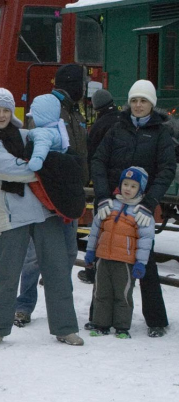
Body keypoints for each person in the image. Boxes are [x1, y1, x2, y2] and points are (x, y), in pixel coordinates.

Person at [0, 88, 82, 348]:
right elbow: (9, 169)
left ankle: (65, 327)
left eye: (6, 110)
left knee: (57, 271)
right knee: (8, 275)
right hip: (11, 217)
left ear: (13, 112)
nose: (1, 115)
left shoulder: (26, 135)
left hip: (45, 212)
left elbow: (56, 148)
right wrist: (46, 169)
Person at [91, 79, 177, 337]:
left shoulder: (160, 133)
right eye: (135, 101)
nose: (138, 105)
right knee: (104, 258)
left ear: (152, 104)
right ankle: (99, 317)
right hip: (113, 205)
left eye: (144, 101)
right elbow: (98, 160)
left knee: (145, 260)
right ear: (129, 103)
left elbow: (167, 170)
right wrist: (104, 196)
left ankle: (156, 321)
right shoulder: (117, 128)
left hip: (141, 209)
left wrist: (149, 203)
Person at [13, 64, 88, 327]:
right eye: (82, 83)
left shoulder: (75, 110)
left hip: (70, 191)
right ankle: (23, 305)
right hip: (46, 194)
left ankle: (60, 303)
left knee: (69, 252)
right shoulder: (45, 108)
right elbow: (36, 147)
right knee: (34, 255)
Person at [84, 167, 154, 338]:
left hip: (125, 261)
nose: (128, 189)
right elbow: (96, 231)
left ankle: (122, 326)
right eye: (125, 184)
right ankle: (101, 324)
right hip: (103, 259)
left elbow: (145, 242)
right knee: (101, 292)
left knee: (123, 294)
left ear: (140, 189)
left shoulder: (141, 213)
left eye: (133, 186)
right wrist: (91, 251)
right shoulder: (109, 206)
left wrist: (140, 263)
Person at [78, 89, 121, 285]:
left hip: (105, 187)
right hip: (126, 188)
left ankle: (93, 272)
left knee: (100, 230)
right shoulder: (123, 119)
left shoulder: (99, 125)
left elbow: (92, 155)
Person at [24, 94, 70, 172]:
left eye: (32, 118)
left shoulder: (43, 133)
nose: (30, 121)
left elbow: (41, 147)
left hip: (44, 168)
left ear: (40, 118)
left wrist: (36, 160)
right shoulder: (58, 130)